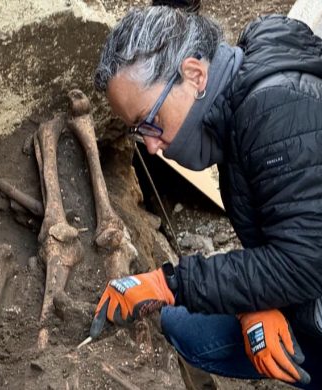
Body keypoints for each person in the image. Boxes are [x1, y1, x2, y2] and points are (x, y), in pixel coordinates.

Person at [90, 2, 322, 389]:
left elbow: (305, 261)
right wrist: (257, 304)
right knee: (188, 329)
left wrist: (169, 284)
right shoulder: (237, 106)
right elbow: (286, 228)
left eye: (149, 121)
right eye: (138, 132)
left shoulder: (274, 110)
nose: (150, 146)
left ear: (195, 75)